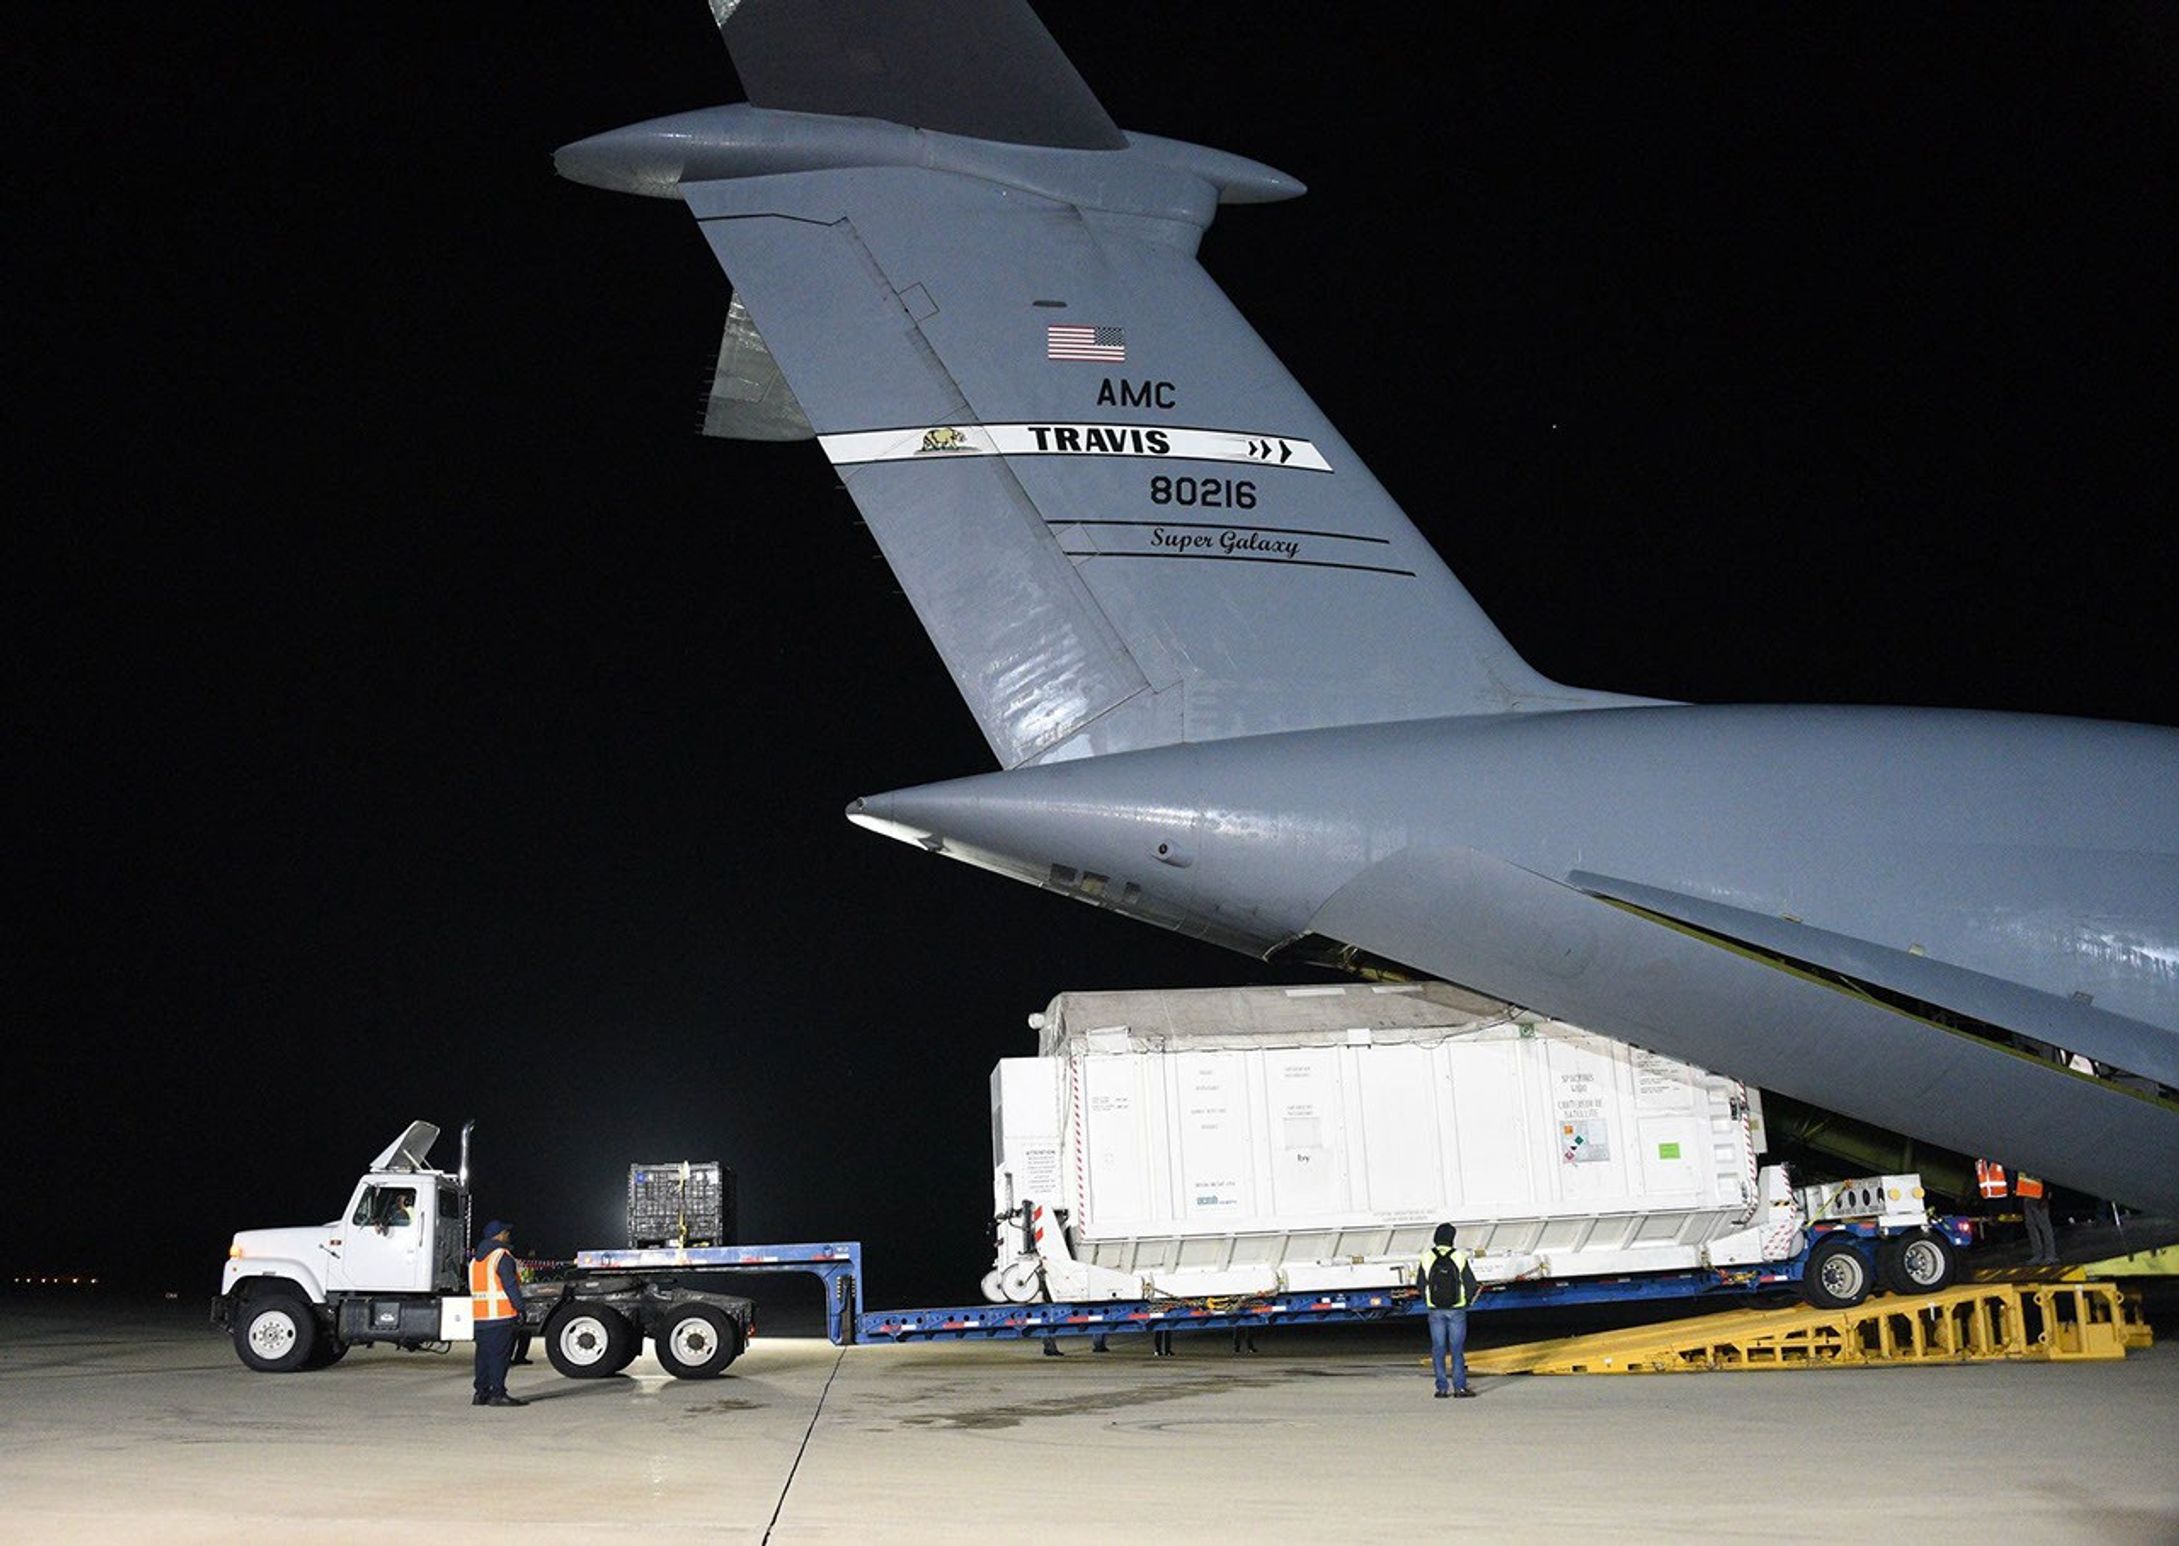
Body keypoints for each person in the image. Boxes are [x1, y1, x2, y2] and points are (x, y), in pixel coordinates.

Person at [470, 1219, 528, 1407]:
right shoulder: (501, 1256)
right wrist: (520, 1308)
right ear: (499, 1235)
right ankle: (498, 1394)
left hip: (480, 1317)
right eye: (506, 1232)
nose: (508, 1235)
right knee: (499, 1357)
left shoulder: (476, 1260)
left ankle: (481, 1393)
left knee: (483, 1357)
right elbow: (510, 1285)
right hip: (500, 1316)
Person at [1418, 1222, 1479, 1399]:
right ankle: (1459, 1388)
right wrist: (1465, 1301)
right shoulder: (1459, 1257)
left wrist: (1429, 1301)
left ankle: (1442, 1388)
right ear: (1452, 1238)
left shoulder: (1427, 1257)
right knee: (1457, 1349)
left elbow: (1421, 1284)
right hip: (1456, 1309)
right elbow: (1471, 1284)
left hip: (1435, 1309)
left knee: (1438, 1348)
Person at [2017, 1172, 2058, 1265]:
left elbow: (2047, 1178)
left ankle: (2050, 1255)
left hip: (2038, 1196)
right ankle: (2038, 1254)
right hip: (2027, 1195)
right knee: (2031, 1226)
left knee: (2044, 1226)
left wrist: (2045, 1196)